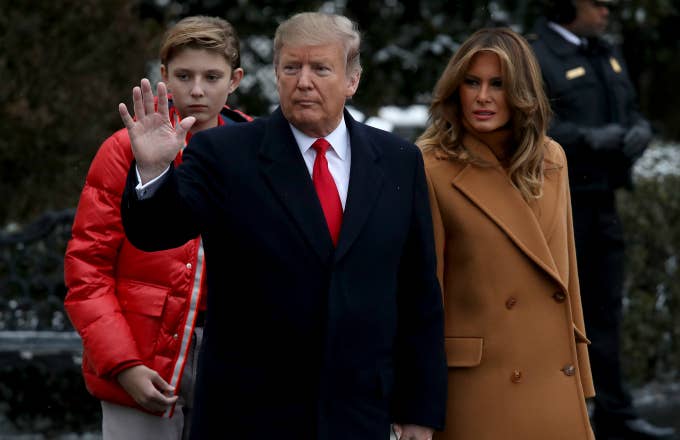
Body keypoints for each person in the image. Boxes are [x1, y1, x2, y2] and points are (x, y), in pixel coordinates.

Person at [118, 11, 447, 440]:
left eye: (320, 68)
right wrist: (153, 169)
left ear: (352, 80)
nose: (303, 81)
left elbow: (418, 292)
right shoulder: (225, 153)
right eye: (291, 67)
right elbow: (156, 231)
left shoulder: (398, 160)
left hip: (359, 412)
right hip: (249, 415)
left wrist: (418, 410)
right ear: (276, 73)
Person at [64, 15, 251, 440]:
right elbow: (87, 269)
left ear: (235, 79)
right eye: (184, 76)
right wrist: (124, 364)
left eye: (212, 76)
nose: (197, 90)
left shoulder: (256, 148)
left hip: (233, 361)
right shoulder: (122, 150)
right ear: (163, 75)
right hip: (139, 354)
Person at [417, 27, 595, 439]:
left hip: (552, 379)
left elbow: (565, 279)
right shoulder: (427, 166)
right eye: (472, 82)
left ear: (522, 92)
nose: (483, 97)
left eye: (498, 84)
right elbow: (424, 296)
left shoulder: (551, 158)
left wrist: (580, 372)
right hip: (478, 386)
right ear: (454, 88)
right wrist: (415, 401)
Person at [529, 2, 676, 439]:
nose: (608, 12)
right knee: (552, 314)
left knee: (605, 311)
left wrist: (639, 130)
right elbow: (532, 124)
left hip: (602, 203)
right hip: (554, 204)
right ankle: (553, 416)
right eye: (599, 4)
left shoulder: (604, 51)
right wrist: (589, 139)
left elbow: (628, 107)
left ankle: (615, 413)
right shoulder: (537, 55)